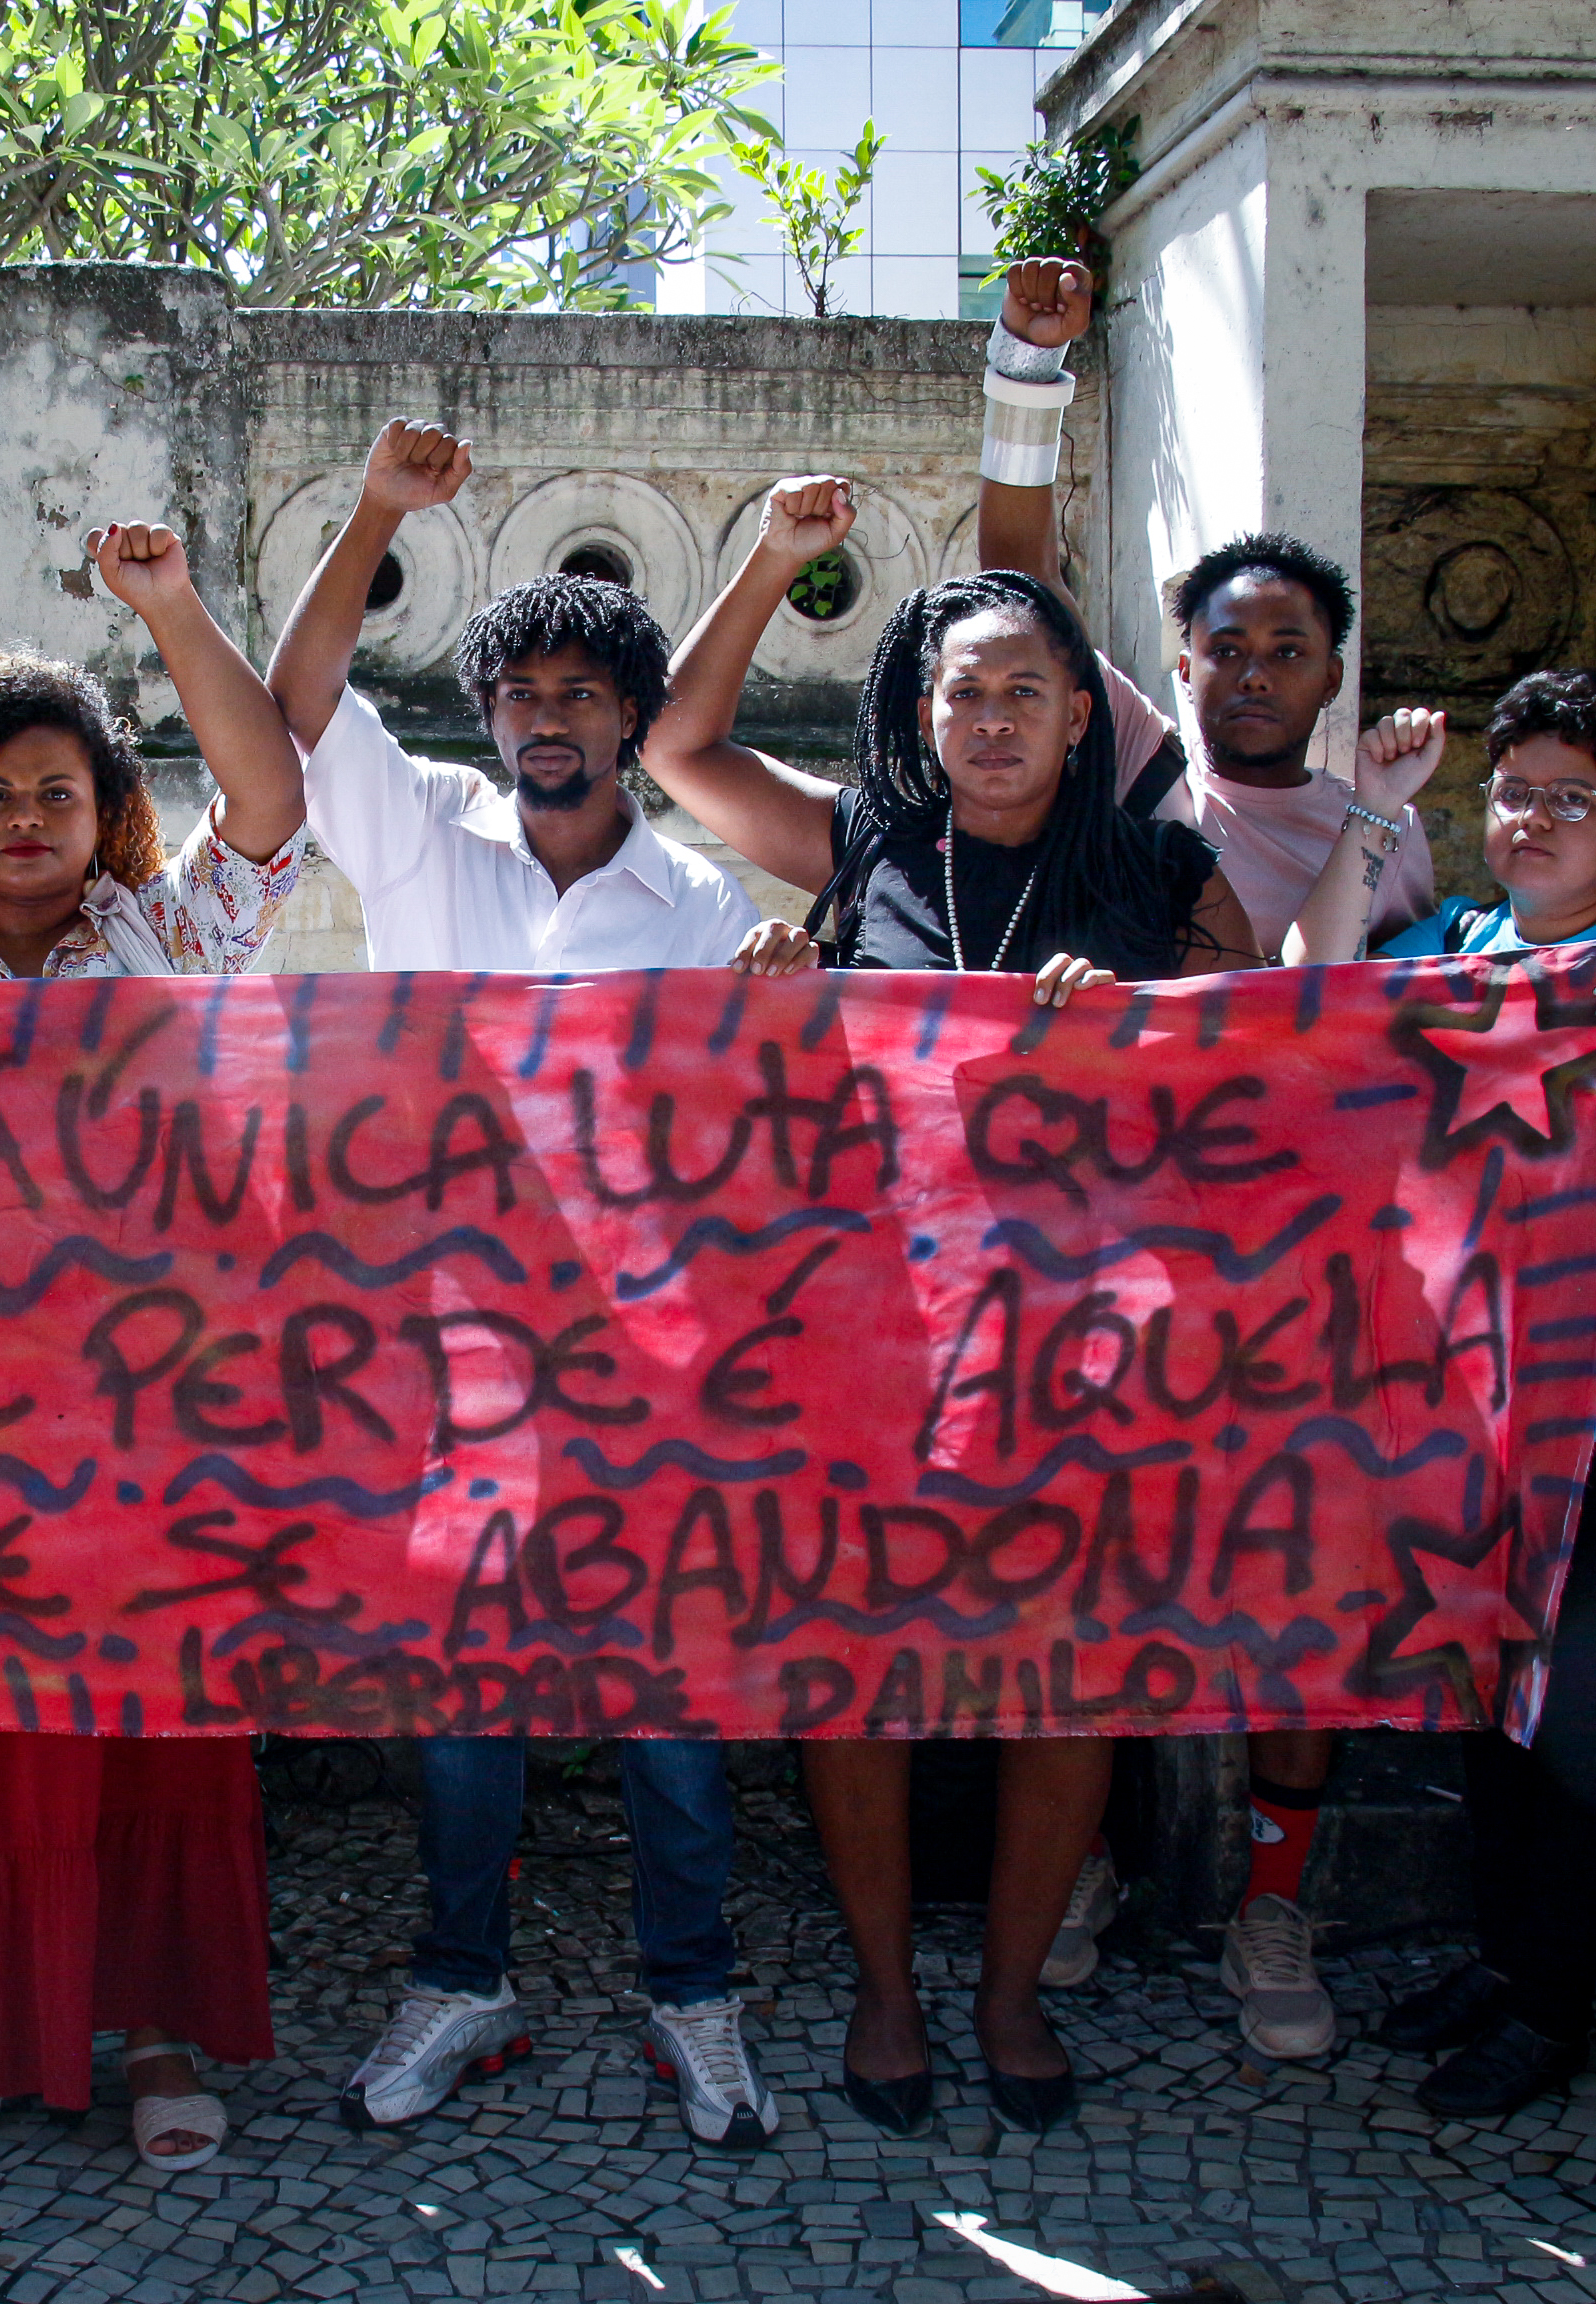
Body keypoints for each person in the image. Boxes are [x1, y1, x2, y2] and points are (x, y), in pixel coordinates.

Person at [637, 472, 1257, 2137]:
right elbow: (679, 749)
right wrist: (772, 556)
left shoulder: (1163, 870)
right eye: (964, 691)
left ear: (1081, 715)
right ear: (923, 711)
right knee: (864, 1671)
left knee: (1070, 1683)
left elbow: (1273, 1071)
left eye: (1026, 691)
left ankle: (1008, 1994)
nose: (993, 719)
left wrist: (1149, 1026)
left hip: (1089, 1352)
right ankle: (889, 1989)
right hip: (877, 1340)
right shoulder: (868, 845)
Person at [268, 419, 784, 2150]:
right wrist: (374, 512)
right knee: (467, 1677)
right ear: (486, 714)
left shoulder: (699, 906)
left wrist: (776, 1020)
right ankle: (461, 1980)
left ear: (634, 718)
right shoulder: (425, 836)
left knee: (671, 1687)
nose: (545, 718)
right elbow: (298, 700)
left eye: (581, 693)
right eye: (518, 693)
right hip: (456, 1348)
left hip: (648, 1356)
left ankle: (693, 1994)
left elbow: (744, 1136)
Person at [977, 254, 1437, 2059]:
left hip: (1310, 1277)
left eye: (1285, 649)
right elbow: (1012, 577)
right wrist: (1029, 366)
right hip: (1117, 1272)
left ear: (1332, 670)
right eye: (1222, 645)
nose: (1249, 671)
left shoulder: (1391, 839)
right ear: (1172, 665)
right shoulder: (1135, 772)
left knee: (1303, 1595)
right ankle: (1075, 1867)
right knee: (1093, 1586)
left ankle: (1272, 1902)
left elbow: (1391, 1045)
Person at [0, 523, 305, 2169]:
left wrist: (167, 607)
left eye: (56, 790)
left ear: (106, 807)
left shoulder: (176, 941)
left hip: (152, 1423)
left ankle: (158, 2030)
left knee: (146, 1734)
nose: (26, 819)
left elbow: (270, 798)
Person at [1280, 670, 1596, 2118]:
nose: (1536, 820)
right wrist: (1374, 811)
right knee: (1489, 1696)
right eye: (1515, 792)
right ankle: (1503, 1959)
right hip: (1468, 1404)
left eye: (1572, 798)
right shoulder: (1465, 948)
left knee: (1579, 1714)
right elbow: (1317, 986)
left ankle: (1551, 2003)